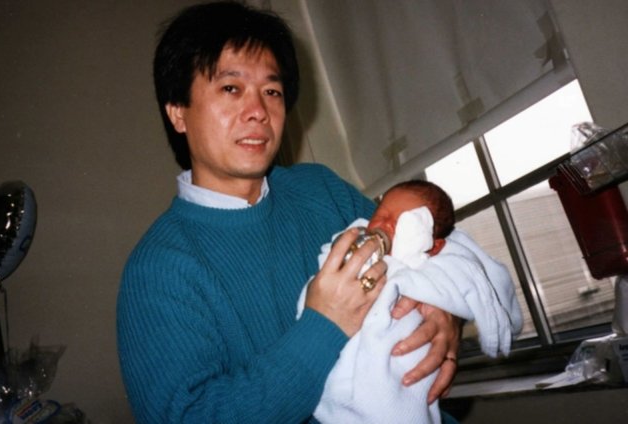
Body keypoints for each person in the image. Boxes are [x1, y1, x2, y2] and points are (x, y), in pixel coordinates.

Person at [116, 2, 464, 423]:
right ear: (178, 112)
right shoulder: (158, 268)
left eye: (272, 91)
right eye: (231, 88)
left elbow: (431, 251)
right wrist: (325, 324)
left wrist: (444, 311)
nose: (259, 111)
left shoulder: (321, 188)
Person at [298, 180, 522, 424]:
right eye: (380, 214)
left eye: (401, 223)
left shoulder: (428, 266)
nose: (384, 224)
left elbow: (460, 278)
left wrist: (447, 313)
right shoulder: (356, 244)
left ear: (432, 246)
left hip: (397, 368)